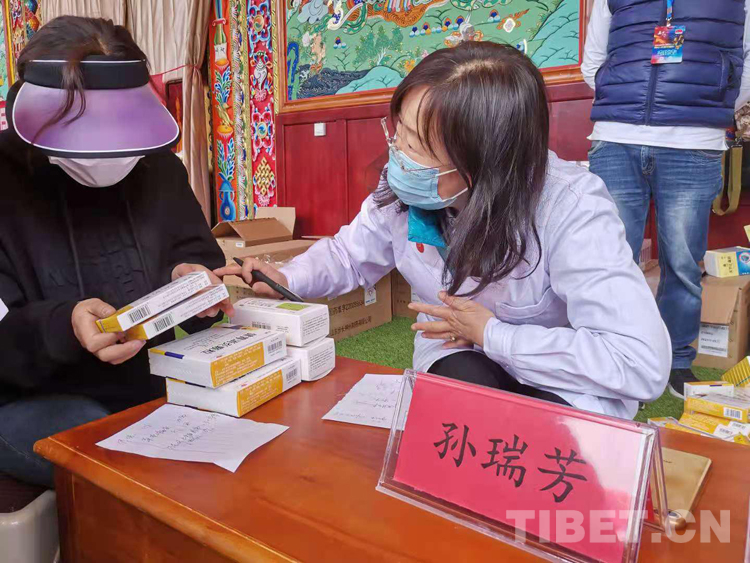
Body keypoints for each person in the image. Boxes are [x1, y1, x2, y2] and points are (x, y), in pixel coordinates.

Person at [218, 42, 671, 420]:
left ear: (484, 163)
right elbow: (349, 255)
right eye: (398, 132)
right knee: (456, 414)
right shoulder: (405, 186)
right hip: (457, 352)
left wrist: (492, 334)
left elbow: (638, 362)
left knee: (542, 440)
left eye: (415, 144)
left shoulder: (571, 206)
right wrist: (288, 277)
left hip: (560, 375)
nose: (397, 153)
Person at [0, 17, 232, 488]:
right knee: (103, 442)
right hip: (30, 395)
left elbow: (197, 256)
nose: (104, 151)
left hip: (151, 377)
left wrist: (191, 284)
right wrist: (66, 327)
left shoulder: (157, 164)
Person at [582, 0, 750, 398]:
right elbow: (593, 62)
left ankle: (676, 360)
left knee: (683, 265)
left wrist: (710, 106)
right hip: (616, 136)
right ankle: (614, 356)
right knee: (608, 261)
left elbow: (746, 64)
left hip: (693, 140)